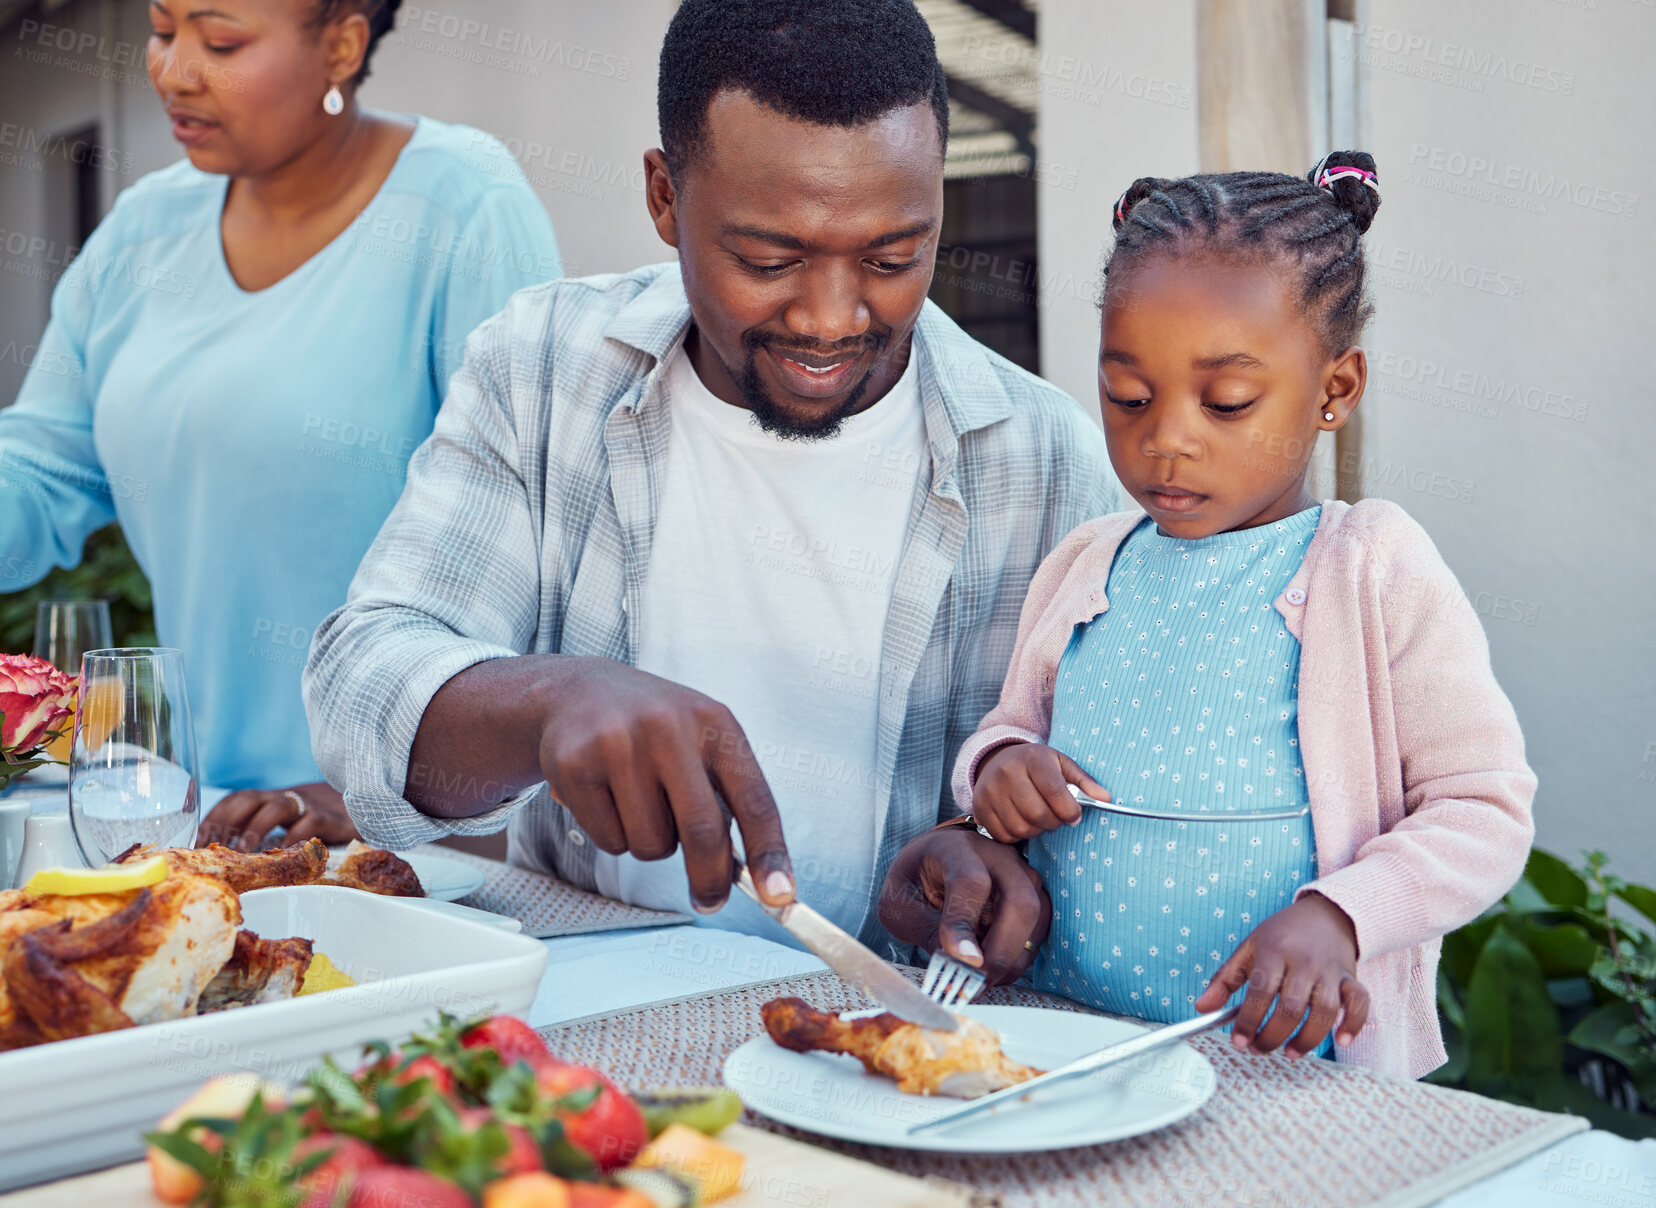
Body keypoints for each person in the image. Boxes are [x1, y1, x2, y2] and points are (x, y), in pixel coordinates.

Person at [304, 0, 1113, 944]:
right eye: (769, 258)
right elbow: (362, 684)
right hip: (594, 1017)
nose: (830, 317)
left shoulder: (1043, 455)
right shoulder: (545, 368)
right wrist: (551, 701)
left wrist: (987, 852)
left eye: (893, 257)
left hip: (899, 1044)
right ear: (664, 198)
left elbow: (1097, 796)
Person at [878, 154, 1536, 1078]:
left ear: (1335, 390)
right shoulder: (1087, 561)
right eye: (1128, 395)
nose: (1167, 437)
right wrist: (1000, 770)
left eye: (1226, 402)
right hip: (1066, 1039)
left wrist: (1342, 914)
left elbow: (1483, 808)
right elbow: (1009, 726)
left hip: (1286, 1066)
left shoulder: (1368, 565)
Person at [0, 0, 559, 850]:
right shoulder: (142, 231)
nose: (174, 69)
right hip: (211, 815)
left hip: (425, 840)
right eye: (160, 28)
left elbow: (535, 535)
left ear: (340, 45)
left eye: (220, 40)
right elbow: (44, 472)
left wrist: (374, 781)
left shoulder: (463, 207)